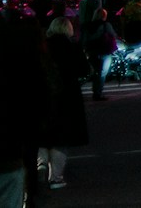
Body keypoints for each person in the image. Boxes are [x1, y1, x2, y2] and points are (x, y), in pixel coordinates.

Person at [40, 17, 90, 191]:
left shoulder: (44, 45)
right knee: (62, 138)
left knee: (43, 135)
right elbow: (85, 70)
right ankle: (56, 178)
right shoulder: (73, 47)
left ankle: (41, 167)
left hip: (44, 93)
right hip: (68, 95)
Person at [82, 7, 118, 100]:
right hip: (104, 50)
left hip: (92, 51)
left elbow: (85, 39)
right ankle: (98, 93)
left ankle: (95, 91)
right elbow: (113, 35)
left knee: (96, 71)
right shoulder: (106, 25)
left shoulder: (88, 25)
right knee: (102, 73)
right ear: (104, 16)